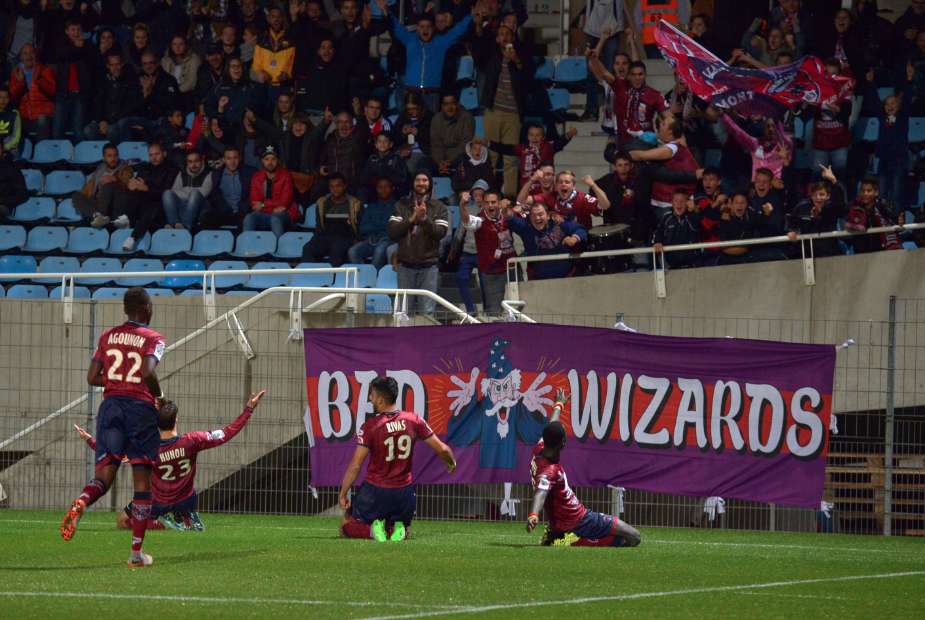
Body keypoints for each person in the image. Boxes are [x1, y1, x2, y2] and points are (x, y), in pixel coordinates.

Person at [60, 288, 166, 568]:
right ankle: (135, 555)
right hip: (140, 411)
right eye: (151, 305)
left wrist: (117, 382)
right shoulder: (153, 338)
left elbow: (92, 377)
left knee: (104, 477)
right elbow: (146, 371)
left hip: (110, 408)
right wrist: (160, 398)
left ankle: (82, 502)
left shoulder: (107, 336)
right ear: (145, 308)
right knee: (142, 484)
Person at [75, 390, 266, 532]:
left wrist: (90, 440)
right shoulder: (192, 440)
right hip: (186, 500)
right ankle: (183, 519)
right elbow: (226, 433)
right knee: (182, 509)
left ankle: (163, 523)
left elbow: (116, 455)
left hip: (157, 503)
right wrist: (249, 409)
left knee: (122, 521)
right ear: (176, 420)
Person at [339, 376, 456, 541]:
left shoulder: (371, 426)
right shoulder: (414, 420)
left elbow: (355, 466)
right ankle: (398, 527)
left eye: (372, 395)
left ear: (380, 399)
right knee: (402, 526)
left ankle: (373, 531)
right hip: (404, 495)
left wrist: (343, 493)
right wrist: (451, 462)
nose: (370, 399)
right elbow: (443, 449)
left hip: (376, 492)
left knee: (345, 525)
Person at [527, 394, 641, 547]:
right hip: (578, 520)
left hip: (568, 518)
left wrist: (558, 405)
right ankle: (570, 540)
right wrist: (533, 515)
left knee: (621, 540)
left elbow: (552, 424)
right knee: (634, 537)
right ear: (563, 444)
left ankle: (558, 536)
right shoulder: (549, 470)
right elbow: (540, 493)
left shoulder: (540, 448)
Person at [471, 22, 534, 195]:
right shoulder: (492, 54)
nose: (504, 37)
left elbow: (529, 75)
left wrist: (516, 60)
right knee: (490, 156)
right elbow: (478, 56)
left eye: (507, 34)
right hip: (493, 112)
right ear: (496, 38)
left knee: (510, 159)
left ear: (513, 37)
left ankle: (510, 198)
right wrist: (480, 29)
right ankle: (489, 195)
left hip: (513, 115)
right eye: (500, 34)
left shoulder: (522, 55)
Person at [376, 0, 473, 112]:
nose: (425, 30)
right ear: (417, 28)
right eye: (422, 27)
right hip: (412, 94)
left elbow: (457, 31)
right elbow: (396, 26)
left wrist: (470, 16)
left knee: (430, 127)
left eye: (428, 27)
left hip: (432, 96)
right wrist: (387, 11)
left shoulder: (441, 43)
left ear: (433, 28)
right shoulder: (410, 40)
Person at [387, 172, 450, 316]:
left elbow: (440, 233)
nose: (421, 183)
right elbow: (393, 232)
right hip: (405, 266)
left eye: (425, 180)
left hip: (429, 267)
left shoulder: (439, 207)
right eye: (418, 180)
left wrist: (424, 219)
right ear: (413, 183)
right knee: (402, 313)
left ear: (430, 183)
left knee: (427, 314)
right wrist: (412, 218)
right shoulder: (401, 205)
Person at [461, 190, 517, 316]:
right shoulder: (479, 220)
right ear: (483, 204)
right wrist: (462, 206)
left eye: (493, 202)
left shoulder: (506, 216)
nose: (491, 205)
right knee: (494, 312)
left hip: (512, 268)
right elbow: (466, 221)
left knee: (518, 308)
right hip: (492, 272)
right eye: (487, 203)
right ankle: (496, 336)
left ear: (499, 203)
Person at [116, 143, 179, 252]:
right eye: (151, 155)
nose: (154, 158)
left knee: (152, 207)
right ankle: (125, 217)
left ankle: (132, 237)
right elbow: (137, 184)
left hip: (161, 207)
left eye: (157, 154)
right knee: (133, 193)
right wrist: (131, 185)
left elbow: (166, 193)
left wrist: (147, 188)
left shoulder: (172, 169)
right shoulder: (145, 167)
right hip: (142, 203)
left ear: (164, 154)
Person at [507, 201, 587, 280]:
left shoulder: (558, 222)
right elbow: (510, 218)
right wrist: (510, 210)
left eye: (540, 214)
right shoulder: (525, 228)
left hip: (567, 276)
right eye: (533, 215)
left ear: (548, 216)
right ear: (529, 217)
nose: (537, 218)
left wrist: (574, 239)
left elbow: (580, 229)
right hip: (538, 280)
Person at [303, 172, 361, 266]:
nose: (335, 189)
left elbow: (359, 225)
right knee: (307, 248)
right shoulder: (322, 203)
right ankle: (308, 277)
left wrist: (357, 239)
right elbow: (319, 226)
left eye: (338, 186)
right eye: (332, 186)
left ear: (344, 186)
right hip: (325, 237)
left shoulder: (354, 203)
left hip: (346, 238)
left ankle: (333, 279)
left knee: (337, 248)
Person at [787, 165, 845, 257]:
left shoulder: (832, 208)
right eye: (815, 195)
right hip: (806, 254)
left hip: (829, 253)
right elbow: (792, 223)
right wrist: (793, 231)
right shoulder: (802, 206)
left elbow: (840, 202)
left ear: (828, 196)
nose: (818, 198)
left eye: (822, 194)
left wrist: (834, 180)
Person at [245, 146, 299, 238]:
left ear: (277, 160)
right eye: (267, 159)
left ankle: (279, 249)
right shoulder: (256, 177)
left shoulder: (286, 176)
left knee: (275, 218)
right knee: (249, 218)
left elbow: (284, 202)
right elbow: (255, 203)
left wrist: (263, 205)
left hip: (286, 214)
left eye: (273, 159)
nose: (270, 163)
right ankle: (247, 248)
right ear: (262, 161)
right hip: (265, 214)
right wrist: (272, 208)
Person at [71, 142, 128, 226]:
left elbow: (127, 183)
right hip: (97, 202)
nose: (113, 158)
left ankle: (100, 216)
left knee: (108, 185)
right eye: (109, 156)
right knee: (76, 195)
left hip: (112, 204)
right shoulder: (100, 168)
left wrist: (115, 179)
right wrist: (80, 200)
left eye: (115, 155)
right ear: (104, 158)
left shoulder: (125, 168)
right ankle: (97, 216)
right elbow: (90, 186)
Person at [348, 177, 398, 270]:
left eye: (386, 187)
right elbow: (363, 228)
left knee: (379, 251)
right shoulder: (371, 207)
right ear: (376, 189)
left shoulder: (397, 206)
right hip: (370, 240)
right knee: (353, 251)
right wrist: (382, 225)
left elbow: (393, 228)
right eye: (380, 187)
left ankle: (373, 281)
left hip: (388, 240)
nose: (383, 190)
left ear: (392, 188)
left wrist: (374, 225)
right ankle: (363, 278)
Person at [9, 43, 56, 141]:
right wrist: (21, 82)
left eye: (31, 53)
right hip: (25, 115)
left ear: (36, 55)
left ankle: (42, 151)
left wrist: (39, 79)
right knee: (12, 122)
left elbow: (53, 91)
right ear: (21, 57)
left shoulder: (45, 70)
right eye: (25, 53)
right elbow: (12, 96)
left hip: (43, 114)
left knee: (42, 120)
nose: (29, 56)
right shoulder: (17, 72)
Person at [201, 146, 255, 230]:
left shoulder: (249, 172)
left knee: (249, 220)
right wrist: (224, 208)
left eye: (235, 158)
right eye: (229, 158)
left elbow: (253, 194)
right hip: (224, 212)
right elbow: (214, 195)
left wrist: (244, 208)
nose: (232, 162)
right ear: (224, 160)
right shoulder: (216, 174)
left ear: (240, 158)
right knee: (206, 218)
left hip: (243, 212)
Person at [845, 177, 903, 254]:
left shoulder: (883, 206)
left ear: (876, 192)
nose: (865, 193)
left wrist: (899, 222)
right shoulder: (854, 206)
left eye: (869, 191)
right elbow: (842, 213)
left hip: (882, 251)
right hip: (861, 253)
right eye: (862, 190)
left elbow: (895, 220)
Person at [162, 151, 212, 230]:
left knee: (195, 194)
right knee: (167, 193)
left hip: (200, 208)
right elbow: (174, 191)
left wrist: (185, 190)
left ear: (202, 161)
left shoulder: (209, 173)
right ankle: (173, 224)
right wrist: (189, 194)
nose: (193, 165)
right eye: (190, 162)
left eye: (196, 161)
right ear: (187, 163)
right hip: (184, 205)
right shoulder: (182, 173)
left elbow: (204, 193)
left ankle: (185, 226)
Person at [653, 190, 702, 269]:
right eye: (676, 201)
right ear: (672, 203)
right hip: (672, 266)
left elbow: (697, 226)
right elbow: (658, 233)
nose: (679, 203)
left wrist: (693, 211)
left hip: (693, 266)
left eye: (682, 201)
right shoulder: (666, 218)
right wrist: (658, 242)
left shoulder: (693, 216)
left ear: (687, 203)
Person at [430, 92, 475, 177]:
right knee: (424, 163)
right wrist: (440, 161)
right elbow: (436, 145)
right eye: (446, 104)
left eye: (452, 103)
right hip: (441, 159)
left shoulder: (467, 118)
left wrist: (448, 161)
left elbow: (465, 145)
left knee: (464, 161)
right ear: (442, 106)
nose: (449, 107)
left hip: (459, 156)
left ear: (457, 104)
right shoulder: (436, 119)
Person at [0, 141, 28, 223]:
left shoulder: (11, 168)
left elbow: (23, 194)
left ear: (2, 150)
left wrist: (2, 200)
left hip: (4, 205)